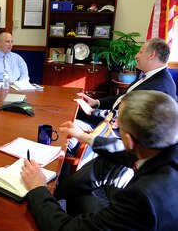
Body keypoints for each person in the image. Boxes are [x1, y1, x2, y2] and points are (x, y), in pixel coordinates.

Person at [21, 90, 178, 230]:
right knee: (100, 167)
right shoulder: (165, 147)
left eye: (118, 125)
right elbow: (124, 153)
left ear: (129, 139)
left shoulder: (140, 198)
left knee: (67, 199)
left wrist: (38, 188)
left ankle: (47, 196)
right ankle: (54, 193)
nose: (115, 123)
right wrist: (85, 137)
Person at [67, 37, 177, 155]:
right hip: (108, 119)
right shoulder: (149, 76)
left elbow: (129, 117)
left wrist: (92, 111)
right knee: (68, 110)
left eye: (140, 52)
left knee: (65, 128)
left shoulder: (160, 87)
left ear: (152, 55)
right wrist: (97, 102)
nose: (136, 56)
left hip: (115, 132)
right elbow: (123, 98)